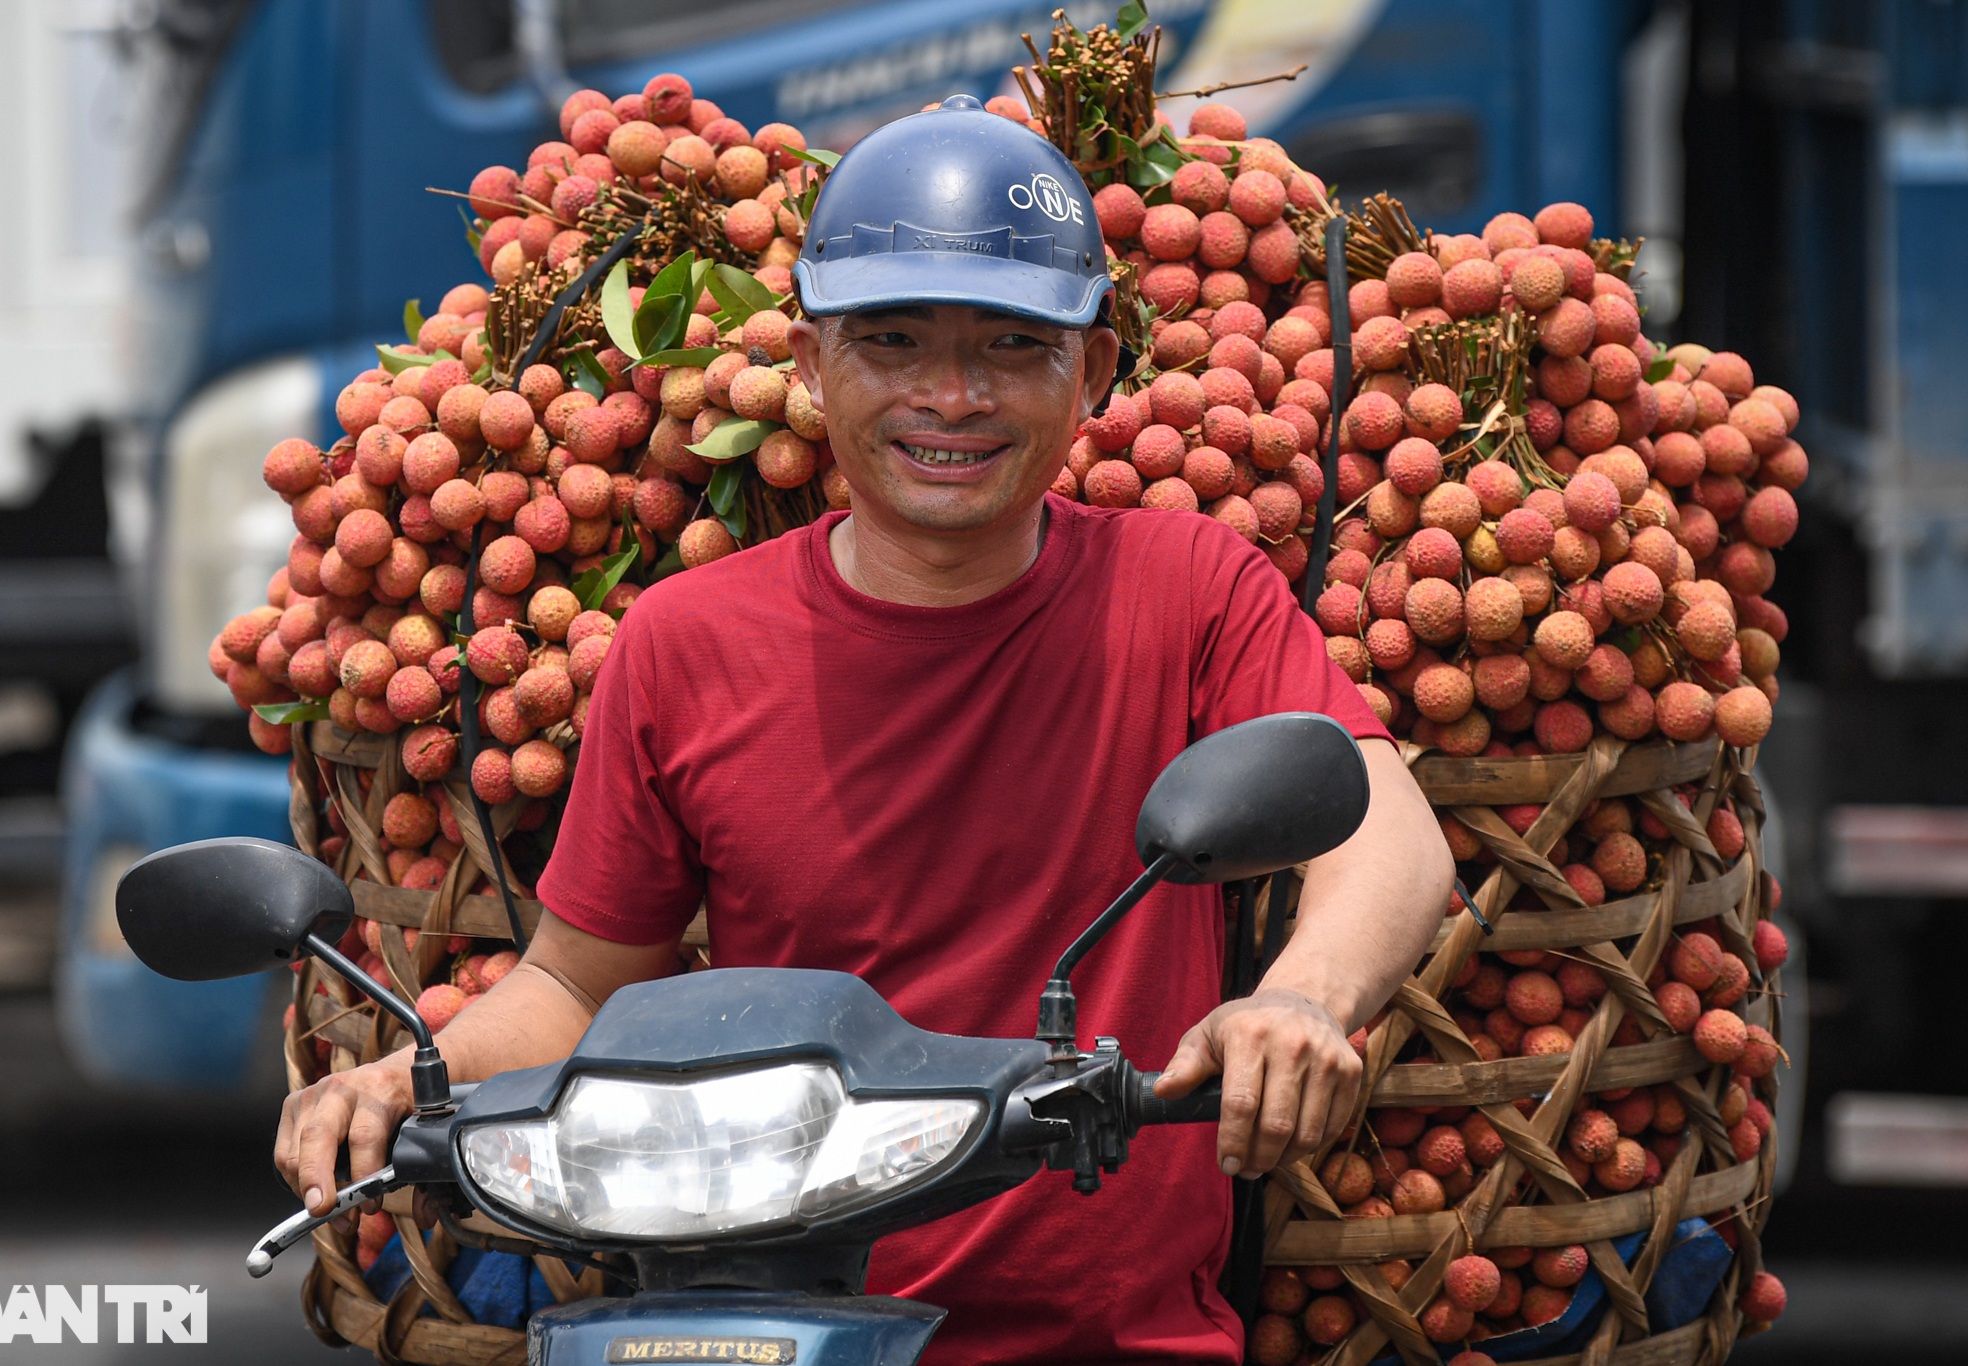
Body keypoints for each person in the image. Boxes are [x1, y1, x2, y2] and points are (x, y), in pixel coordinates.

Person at [278, 94, 1451, 1362]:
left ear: (1095, 374)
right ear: (808, 365)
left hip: (1108, 1342)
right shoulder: (683, 643)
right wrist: (417, 1077)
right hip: (754, 1317)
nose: (951, 396)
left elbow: (1387, 835)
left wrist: (1298, 1002)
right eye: (891, 342)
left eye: (1011, 347)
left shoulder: (1189, 589)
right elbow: (573, 985)